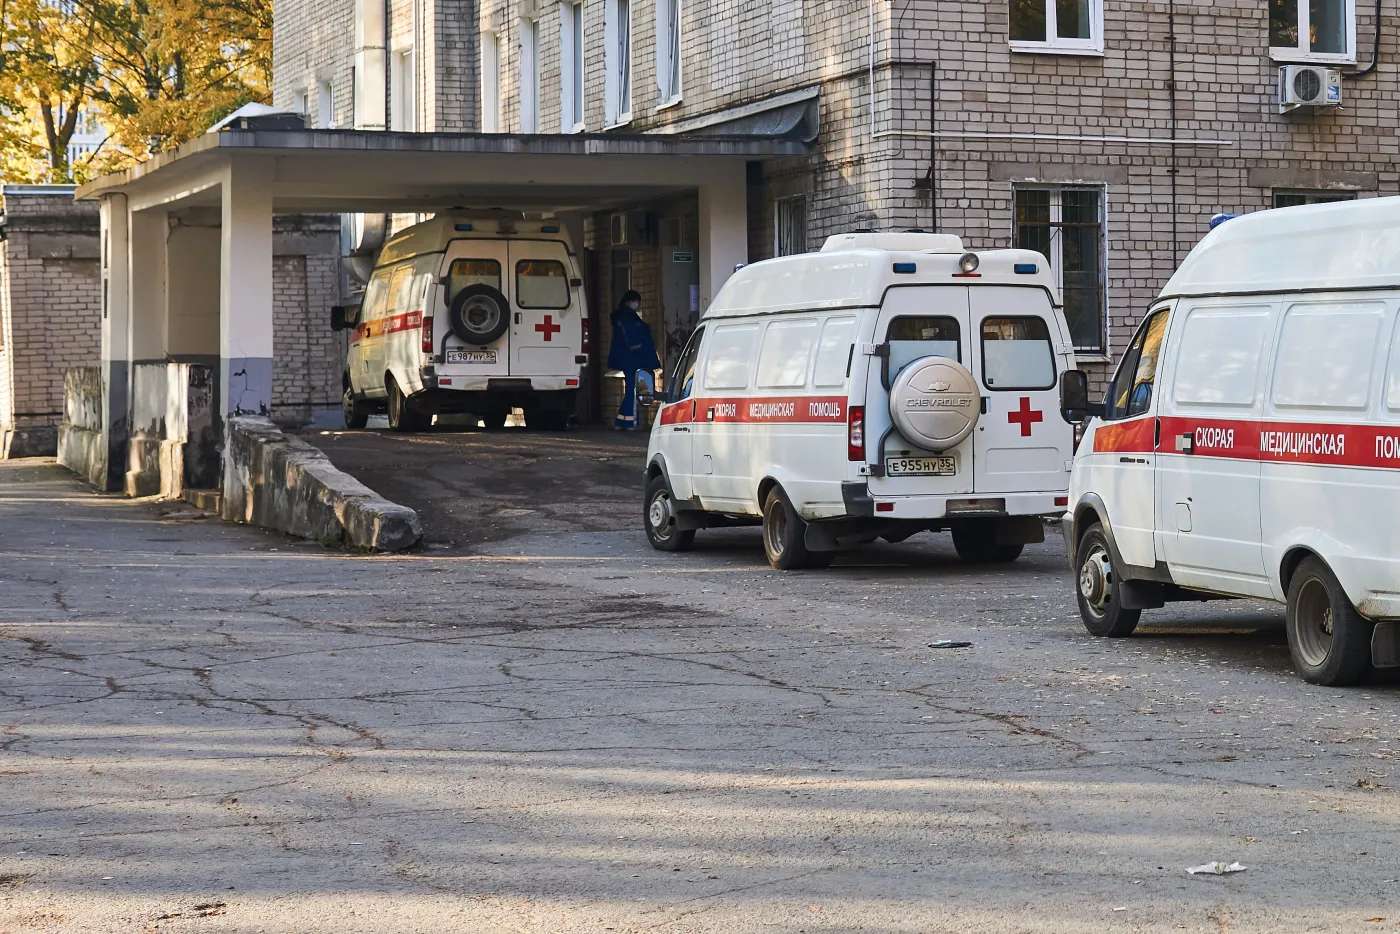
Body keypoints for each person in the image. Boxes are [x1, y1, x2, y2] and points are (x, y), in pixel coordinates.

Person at [607, 290, 661, 430]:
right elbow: (633, 337)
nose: (637, 304)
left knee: (631, 388)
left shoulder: (623, 317)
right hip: (633, 358)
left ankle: (621, 420)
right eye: (635, 301)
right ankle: (630, 422)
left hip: (626, 359)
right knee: (632, 389)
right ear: (629, 302)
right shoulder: (627, 318)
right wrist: (639, 346)